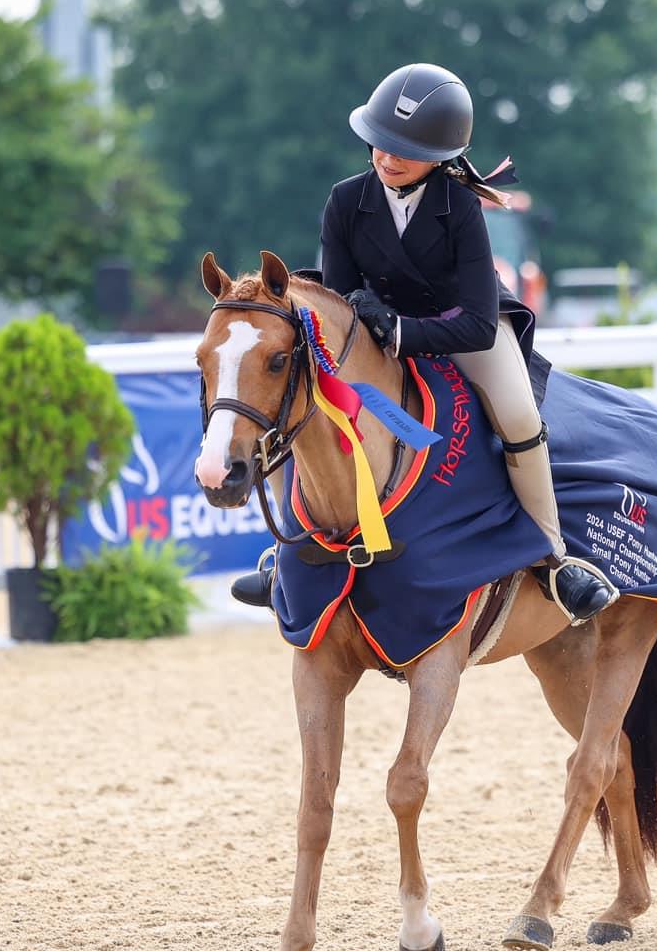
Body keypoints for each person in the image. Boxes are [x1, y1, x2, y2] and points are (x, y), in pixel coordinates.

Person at [231, 63, 619, 625]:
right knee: (309, 401)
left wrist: (403, 330)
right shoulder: (345, 201)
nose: (387, 159)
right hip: (376, 336)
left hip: (459, 330)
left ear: (438, 158)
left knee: (516, 416)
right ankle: (287, 554)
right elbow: (339, 299)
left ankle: (552, 557)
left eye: (403, 151)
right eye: (379, 145)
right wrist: (364, 319)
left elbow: (477, 324)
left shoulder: (460, 208)